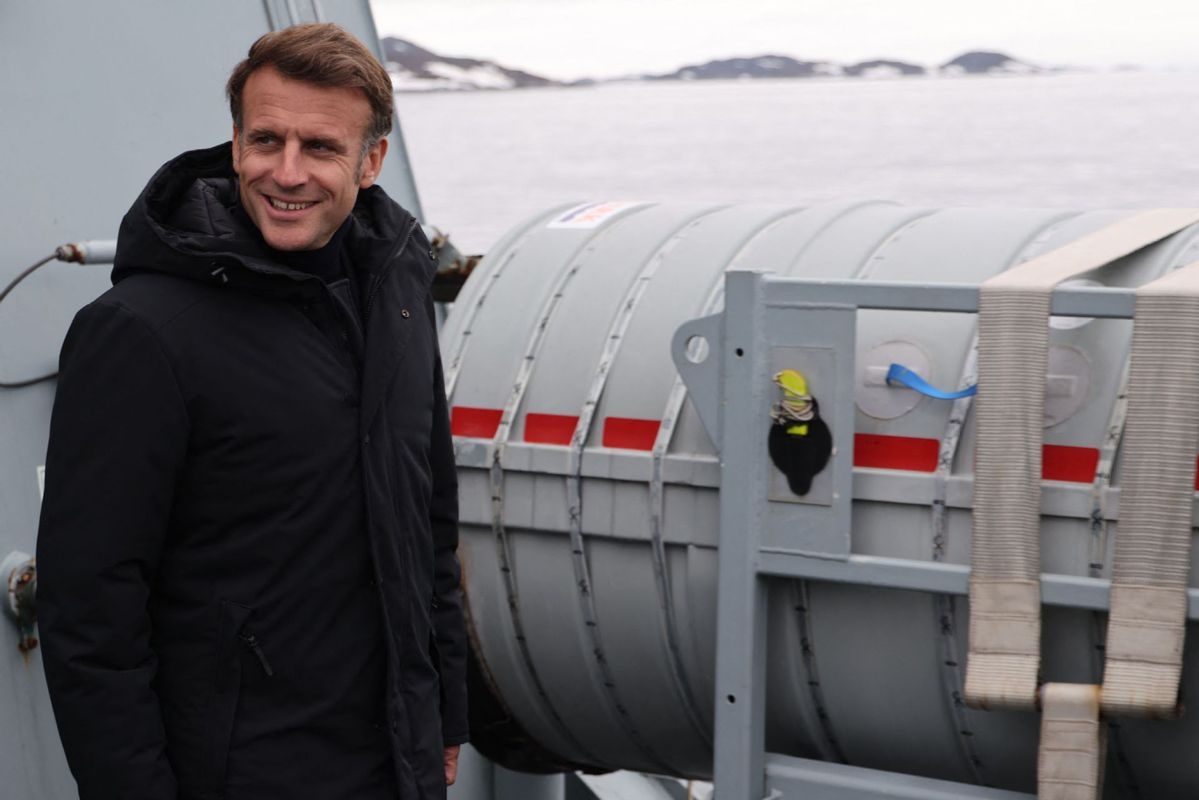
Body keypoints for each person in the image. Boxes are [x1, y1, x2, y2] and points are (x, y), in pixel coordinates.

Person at [36, 23, 467, 800]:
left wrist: (443, 714)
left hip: (393, 762)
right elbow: (90, 610)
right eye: (266, 140)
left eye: (321, 147)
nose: (286, 172)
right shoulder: (142, 331)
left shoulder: (396, 293)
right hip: (241, 770)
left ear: (371, 162)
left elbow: (426, 518)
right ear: (235, 144)